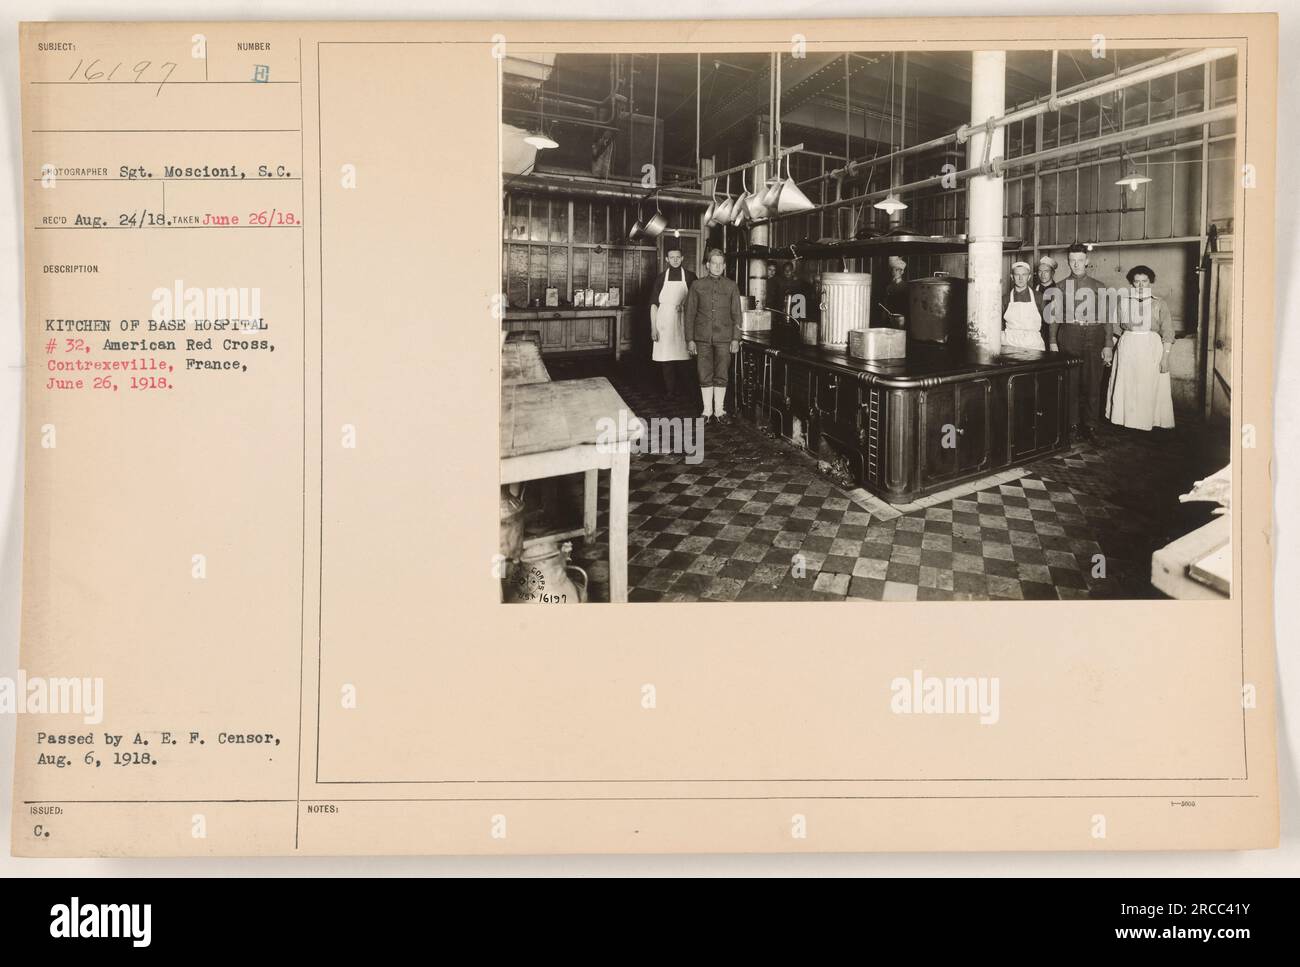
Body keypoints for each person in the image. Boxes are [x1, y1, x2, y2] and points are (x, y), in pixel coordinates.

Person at [1046, 242, 1111, 442]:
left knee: (1093, 383)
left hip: (1094, 335)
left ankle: (1091, 426)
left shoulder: (1099, 286)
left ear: (1087, 261)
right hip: (1070, 335)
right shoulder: (1059, 286)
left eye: (1080, 260)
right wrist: (1052, 341)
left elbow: (1107, 317)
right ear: (1068, 262)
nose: (1076, 264)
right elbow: (1054, 317)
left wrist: (1108, 344)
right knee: (1071, 383)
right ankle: (1072, 425)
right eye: (1072, 261)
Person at [1105, 265, 1175, 431]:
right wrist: (1110, 352)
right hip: (1128, 346)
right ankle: (1125, 420)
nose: (1141, 285)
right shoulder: (1123, 302)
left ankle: (1147, 421)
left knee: (1148, 385)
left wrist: (1165, 357)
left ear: (1150, 282)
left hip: (1151, 347)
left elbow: (1168, 332)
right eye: (1137, 282)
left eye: (1145, 281)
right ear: (1132, 284)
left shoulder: (1159, 303)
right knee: (1127, 384)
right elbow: (1115, 330)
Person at [685, 249, 743, 424]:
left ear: (724, 266)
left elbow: (737, 315)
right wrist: (690, 339)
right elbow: (689, 314)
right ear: (707, 265)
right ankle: (707, 411)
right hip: (702, 338)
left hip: (725, 339)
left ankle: (719, 411)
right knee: (704, 374)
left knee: (722, 374)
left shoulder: (732, 286)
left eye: (721, 264)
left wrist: (736, 338)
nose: (717, 267)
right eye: (714, 263)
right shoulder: (697, 285)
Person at [649, 244, 696, 400]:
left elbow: (697, 301)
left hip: (684, 320)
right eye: (672, 258)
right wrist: (653, 328)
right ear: (667, 259)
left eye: (678, 257)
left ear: (682, 258)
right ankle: (670, 391)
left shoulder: (690, 276)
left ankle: (687, 391)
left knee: (685, 358)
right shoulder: (661, 278)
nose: (675, 260)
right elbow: (654, 305)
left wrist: (686, 305)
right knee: (666, 358)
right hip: (664, 321)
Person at [1001, 261, 1046, 351]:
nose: (1021, 278)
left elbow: (1046, 323)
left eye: (1024, 275)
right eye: (1017, 275)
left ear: (1029, 277)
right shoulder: (1005, 299)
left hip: (1033, 344)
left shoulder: (1039, 297)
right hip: (1009, 343)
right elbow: (1000, 324)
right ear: (1012, 277)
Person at [1033, 255, 1058, 348]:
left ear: (1052, 273)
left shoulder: (1058, 290)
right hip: (1035, 333)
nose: (1042, 274)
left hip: (1052, 334)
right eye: (1040, 271)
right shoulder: (1033, 290)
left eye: (1046, 271)